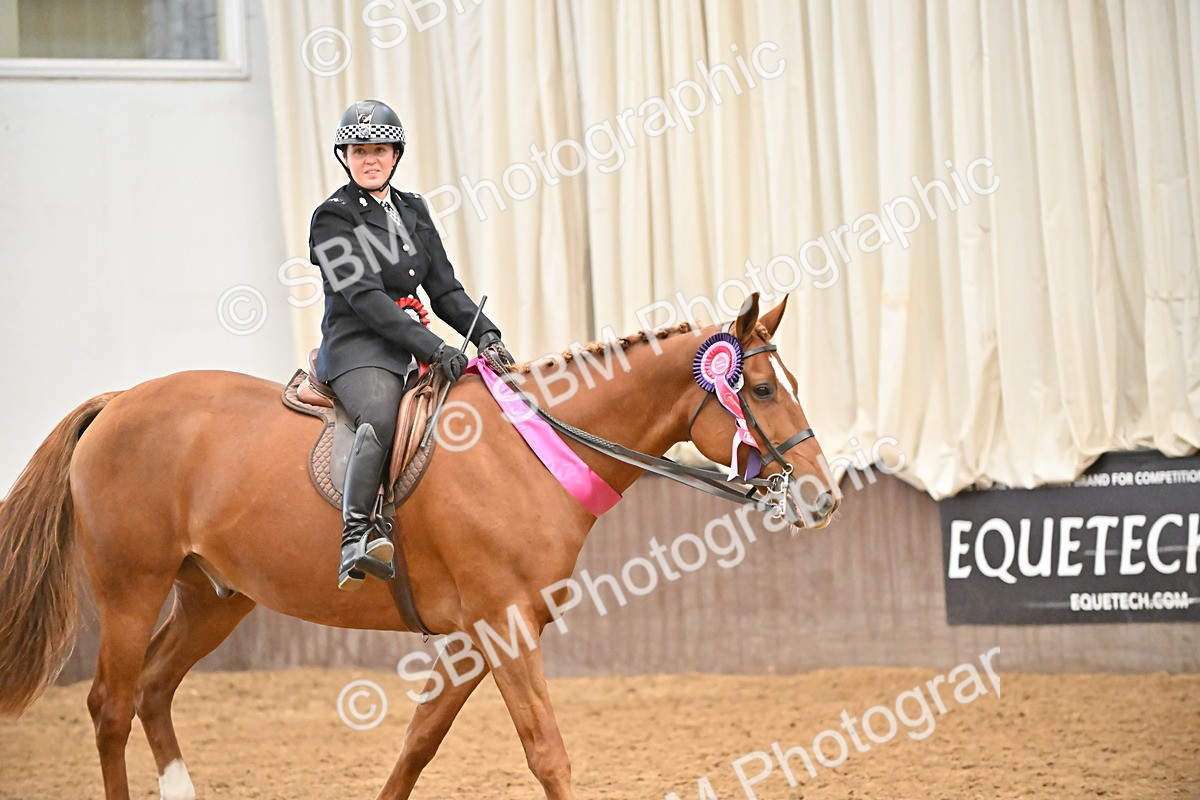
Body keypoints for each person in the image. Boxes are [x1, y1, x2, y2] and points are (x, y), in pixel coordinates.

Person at [309, 99, 513, 591]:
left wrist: (486, 332)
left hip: (409, 342)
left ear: (396, 154)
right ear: (346, 157)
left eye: (379, 149)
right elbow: (365, 299)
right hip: (359, 347)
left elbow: (443, 289)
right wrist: (433, 346)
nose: (370, 159)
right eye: (360, 151)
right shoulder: (332, 218)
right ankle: (356, 538)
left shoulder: (413, 210)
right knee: (379, 416)